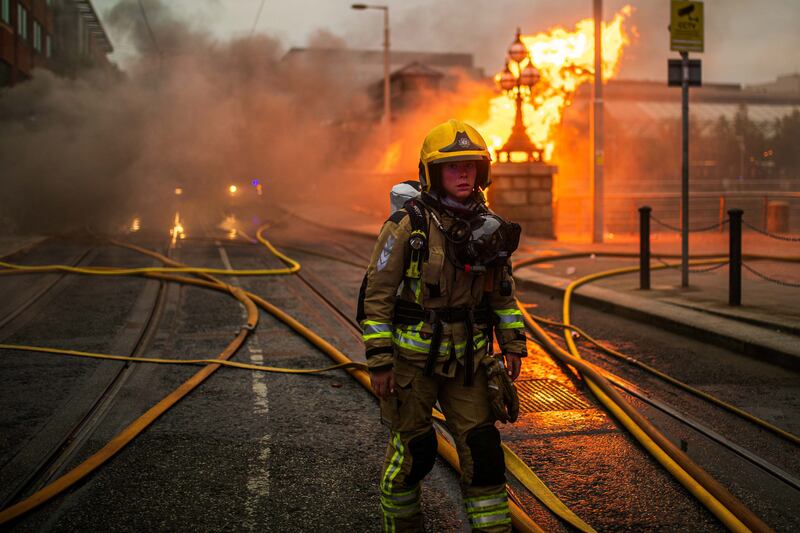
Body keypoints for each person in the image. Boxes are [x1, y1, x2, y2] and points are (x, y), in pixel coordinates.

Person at [358, 119, 527, 532]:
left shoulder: (489, 228)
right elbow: (376, 298)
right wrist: (379, 362)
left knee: (484, 454)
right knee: (415, 452)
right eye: (452, 167)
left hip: (469, 363)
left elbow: (501, 294)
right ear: (432, 173)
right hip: (412, 366)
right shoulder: (408, 227)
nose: (463, 174)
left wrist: (513, 343)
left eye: (470, 165)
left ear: (482, 170)